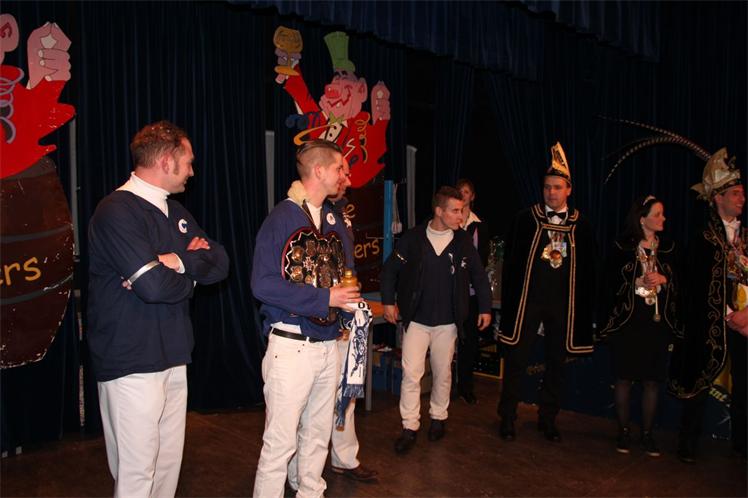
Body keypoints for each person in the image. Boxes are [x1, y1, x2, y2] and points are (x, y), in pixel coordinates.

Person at [87, 121, 229, 497]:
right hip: (130, 362)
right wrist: (190, 272)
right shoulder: (115, 211)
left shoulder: (175, 211)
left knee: (167, 468)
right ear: (167, 161)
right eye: (188, 162)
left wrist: (176, 262)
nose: (192, 171)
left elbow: (220, 261)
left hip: (174, 356)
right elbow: (152, 287)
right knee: (138, 474)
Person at [251, 140, 362, 497]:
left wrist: (347, 305)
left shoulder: (333, 219)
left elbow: (346, 273)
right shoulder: (281, 218)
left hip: (328, 344)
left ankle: (310, 491)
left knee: (317, 435)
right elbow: (262, 284)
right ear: (319, 170)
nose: (344, 175)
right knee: (280, 443)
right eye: (339, 168)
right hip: (291, 345)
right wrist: (325, 298)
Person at [286, 158, 378, 488]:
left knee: (345, 392)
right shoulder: (301, 212)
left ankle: (343, 458)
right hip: (313, 321)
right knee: (307, 403)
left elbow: (346, 266)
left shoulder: (339, 215)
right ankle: (298, 471)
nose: (347, 180)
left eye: (348, 174)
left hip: (342, 316)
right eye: (341, 172)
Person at [381, 186, 492, 454]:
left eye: (462, 210)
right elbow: (389, 270)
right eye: (455, 211)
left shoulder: (463, 241)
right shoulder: (413, 238)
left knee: (443, 373)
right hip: (417, 321)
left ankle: (438, 418)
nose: (461, 216)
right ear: (439, 211)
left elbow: (479, 275)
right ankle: (409, 426)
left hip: (448, 323)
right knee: (411, 374)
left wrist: (485, 308)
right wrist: (388, 302)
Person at [497, 142, 596, 443]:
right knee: (516, 360)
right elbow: (510, 268)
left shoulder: (582, 226)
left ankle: (548, 418)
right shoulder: (525, 220)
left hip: (562, 305)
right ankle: (507, 416)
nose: (551, 192)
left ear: (569, 190)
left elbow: (589, 273)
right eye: (547, 187)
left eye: (557, 187)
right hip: (529, 303)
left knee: (556, 363)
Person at [669, 148, 747, 462]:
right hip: (712, 324)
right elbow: (696, 286)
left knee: (745, 386)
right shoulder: (703, 239)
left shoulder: (747, 237)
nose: (742, 199)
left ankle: (742, 443)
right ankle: (688, 442)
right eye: (736, 193)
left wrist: (745, 316)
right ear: (718, 198)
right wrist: (729, 315)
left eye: (742, 193)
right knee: (700, 382)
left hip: (745, 324)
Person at [597, 196, 681, 456]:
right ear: (642, 219)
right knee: (624, 378)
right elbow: (607, 283)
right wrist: (636, 282)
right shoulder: (622, 247)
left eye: (662, 214)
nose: (663, 219)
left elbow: (684, 283)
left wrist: (664, 279)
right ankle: (623, 432)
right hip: (629, 324)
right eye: (657, 214)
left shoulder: (669, 248)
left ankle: (647, 434)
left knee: (652, 381)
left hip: (656, 326)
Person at [455, 178, 491, 405]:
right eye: (459, 191)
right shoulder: (448, 220)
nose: (463, 194)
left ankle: (466, 387)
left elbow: (481, 262)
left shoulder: (479, 225)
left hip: (470, 292)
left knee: (469, 343)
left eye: (466, 192)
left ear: (473, 196)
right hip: (449, 292)